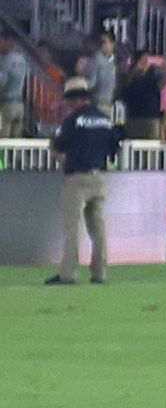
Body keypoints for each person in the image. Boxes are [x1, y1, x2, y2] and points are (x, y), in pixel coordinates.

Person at [47, 84, 117, 284]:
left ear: (77, 100)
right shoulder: (105, 120)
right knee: (98, 228)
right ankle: (100, 273)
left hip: (78, 178)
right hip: (99, 177)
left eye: (70, 101)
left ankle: (68, 273)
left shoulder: (74, 120)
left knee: (73, 228)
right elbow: (114, 147)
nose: (69, 105)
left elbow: (60, 144)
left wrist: (54, 146)